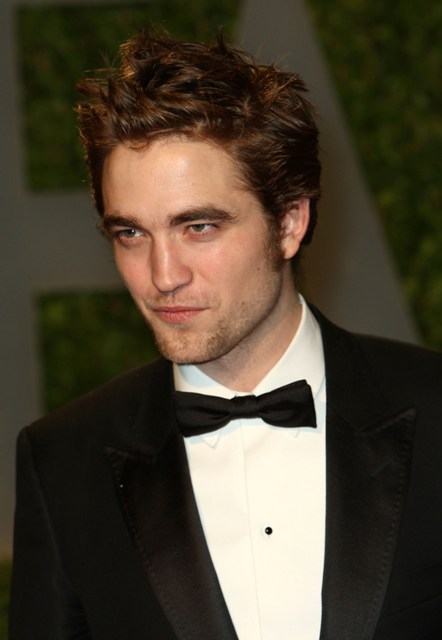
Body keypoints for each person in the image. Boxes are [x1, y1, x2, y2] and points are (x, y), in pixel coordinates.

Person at [9, 27, 442, 640]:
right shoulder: (62, 464)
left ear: (288, 223)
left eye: (200, 227)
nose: (163, 275)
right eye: (131, 233)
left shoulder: (435, 410)